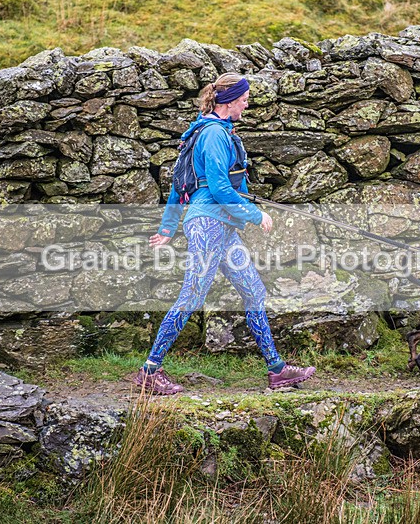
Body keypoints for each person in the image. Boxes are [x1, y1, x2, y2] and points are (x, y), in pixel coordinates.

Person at [134, 73, 316, 395]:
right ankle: (150, 370)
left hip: (222, 227)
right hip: (208, 225)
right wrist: (256, 214)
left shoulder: (203, 131)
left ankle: (276, 370)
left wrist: (167, 227)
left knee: (254, 291)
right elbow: (217, 188)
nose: (247, 104)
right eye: (244, 99)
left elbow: (179, 186)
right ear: (230, 101)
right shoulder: (215, 135)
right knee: (191, 296)